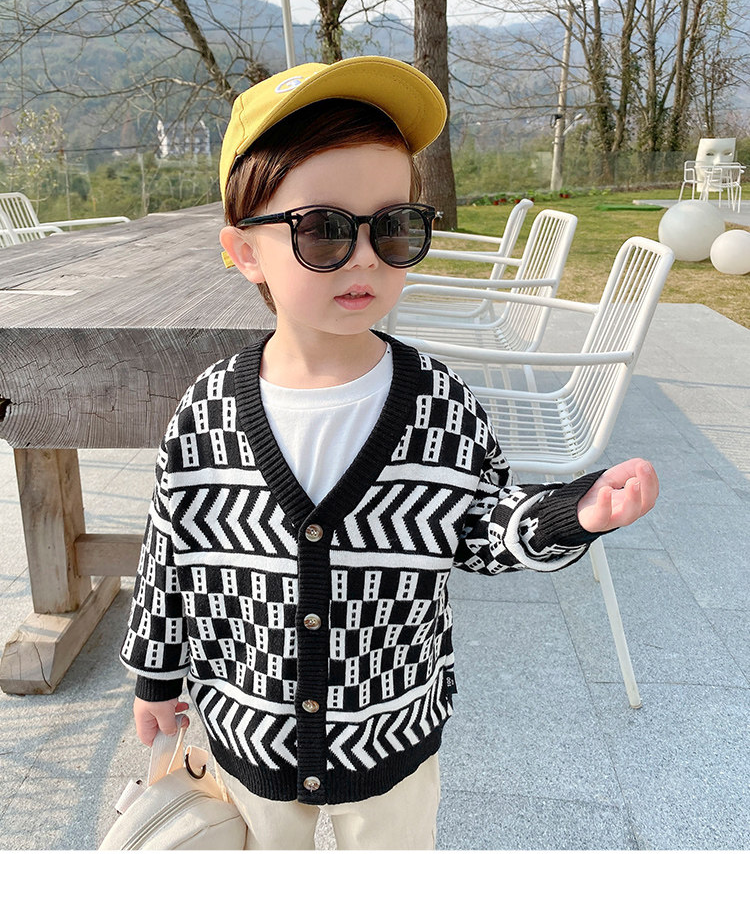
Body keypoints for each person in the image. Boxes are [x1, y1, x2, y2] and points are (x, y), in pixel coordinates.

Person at [120, 56, 658, 851]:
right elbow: (170, 549)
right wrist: (156, 677)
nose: (366, 256)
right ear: (245, 252)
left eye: (395, 226)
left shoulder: (438, 404)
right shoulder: (208, 410)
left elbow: (480, 525)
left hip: (392, 734)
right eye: (323, 230)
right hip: (249, 731)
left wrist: (567, 514)